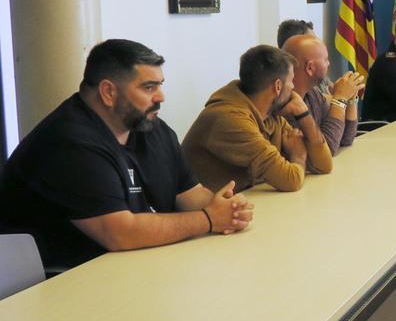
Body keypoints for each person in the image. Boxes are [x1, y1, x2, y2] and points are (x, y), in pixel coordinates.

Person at [0, 40, 253, 272]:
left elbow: (189, 194)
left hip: (130, 267)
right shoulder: (68, 141)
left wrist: (227, 209)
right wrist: (208, 219)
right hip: (58, 282)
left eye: (160, 86)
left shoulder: (150, 128)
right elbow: (120, 233)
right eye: (149, 87)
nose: (161, 97)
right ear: (108, 92)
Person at [183, 45, 332, 192]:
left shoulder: (270, 114)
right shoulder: (230, 119)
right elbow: (290, 180)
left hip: (244, 203)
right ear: (278, 86)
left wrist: (303, 114)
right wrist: (298, 155)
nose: (293, 87)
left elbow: (324, 165)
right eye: (291, 81)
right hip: (202, 211)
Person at [282, 34, 364, 155]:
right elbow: (326, 150)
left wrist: (350, 99)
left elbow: (346, 138)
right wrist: (340, 99)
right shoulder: (285, 104)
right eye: (325, 59)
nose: (329, 63)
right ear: (310, 68)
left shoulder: (312, 93)